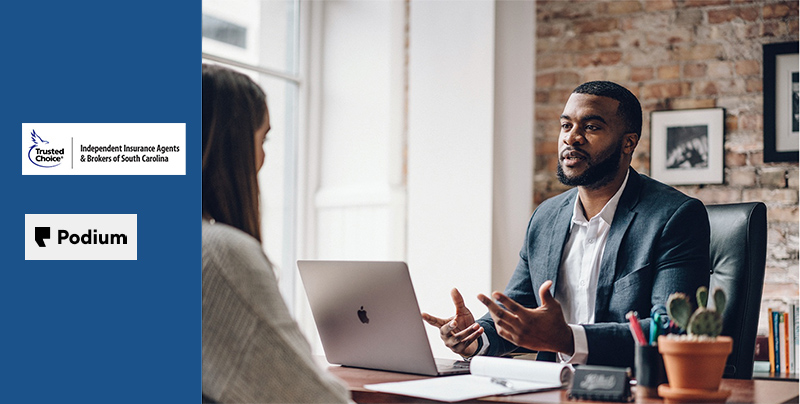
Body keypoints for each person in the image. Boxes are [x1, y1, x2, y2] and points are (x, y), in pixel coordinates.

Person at [422, 81, 710, 368]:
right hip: (550, 387)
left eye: (592, 127)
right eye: (566, 126)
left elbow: (672, 329)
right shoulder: (545, 217)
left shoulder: (675, 216)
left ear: (628, 142)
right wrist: (473, 338)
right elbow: (519, 312)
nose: (572, 138)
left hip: (628, 391)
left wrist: (569, 339)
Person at [202, 64, 351, 403]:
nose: (264, 157)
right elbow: (312, 398)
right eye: (263, 138)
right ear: (232, 143)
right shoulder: (218, 254)